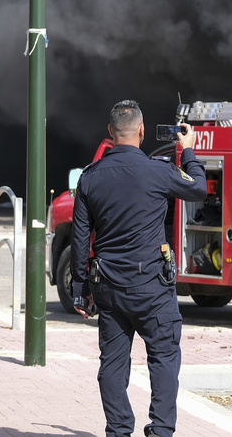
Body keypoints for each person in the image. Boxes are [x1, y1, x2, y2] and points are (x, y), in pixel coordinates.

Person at [72, 100, 206, 437]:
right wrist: (186, 151)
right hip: (152, 288)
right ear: (142, 131)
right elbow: (199, 187)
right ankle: (160, 430)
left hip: (109, 288)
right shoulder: (159, 171)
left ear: (110, 133)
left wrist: (80, 289)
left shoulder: (90, 178)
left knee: (112, 363)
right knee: (163, 357)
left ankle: (118, 431)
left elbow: (79, 239)